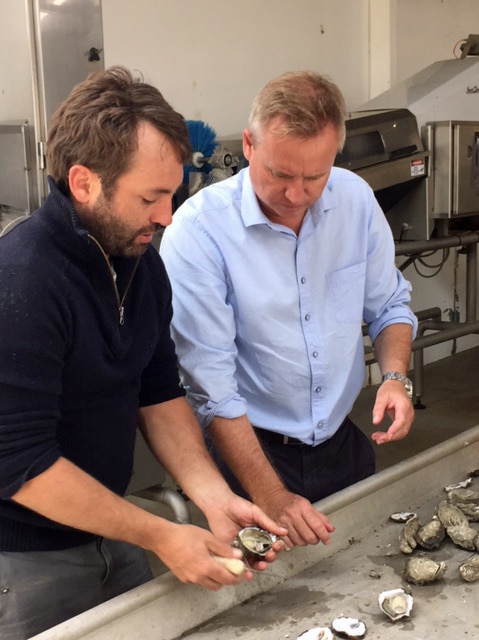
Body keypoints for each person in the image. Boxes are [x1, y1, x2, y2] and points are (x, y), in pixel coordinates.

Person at [0, 66, 288, 640]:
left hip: (111, 529)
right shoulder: (22, 282)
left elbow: (157, 391)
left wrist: (213, 496)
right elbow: (20, 464)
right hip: (25, 563)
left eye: (172, 194)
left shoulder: (140, 264)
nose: (166, 216)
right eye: (150, 197)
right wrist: (160, 534)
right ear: (83, 183)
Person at [160, 70, 417, 551]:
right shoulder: (198, 232)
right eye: (280, 174)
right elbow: (210, 387)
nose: (296, 195)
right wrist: (270, 495)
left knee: (364, 573)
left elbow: (389, 306)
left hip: (343, 443)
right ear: (249, 146)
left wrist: (395, 378)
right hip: (250, 455)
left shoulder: (355, 200)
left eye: (314, 176)